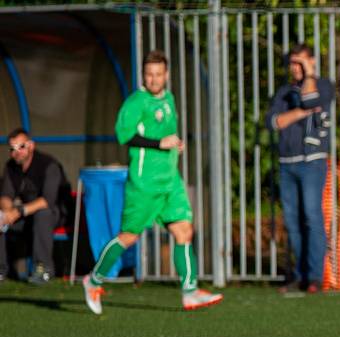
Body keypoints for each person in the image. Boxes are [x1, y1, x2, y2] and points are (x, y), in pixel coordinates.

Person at [82, 49, 222, 314]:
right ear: (143, 76)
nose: (154, 79)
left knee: (184, 231)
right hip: (144, 185)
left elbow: (165, 133)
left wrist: (174, 144)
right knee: (129, 237)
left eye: (159, 74)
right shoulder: (136, 102)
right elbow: (125, 136)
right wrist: (160, 143)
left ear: (166, 75)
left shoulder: (168, 98)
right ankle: (94, 279)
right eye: (149, 74)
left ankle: (190, 291)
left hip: (170, 181)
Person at [265, 43, 334, 294]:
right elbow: (274, 122)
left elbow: (311, 98)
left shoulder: (324, 85)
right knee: (292, 222)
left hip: (312, 162)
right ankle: (300, 274)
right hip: (287, 164)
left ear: (312, 62)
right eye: (293, 63)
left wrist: (309, 75)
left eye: (301, 62)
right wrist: (300, 112)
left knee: (311, 217)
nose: (296, 68)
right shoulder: (283, 92)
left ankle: (314, 277)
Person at [0, 128, 71, 284]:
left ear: (31, 146)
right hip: (26, 215)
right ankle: (1, 270)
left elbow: (48, 200)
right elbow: (6, 196)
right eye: (12, 149)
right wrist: (7, 212)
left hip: (56, 214)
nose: (17, 152)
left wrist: (17, 211)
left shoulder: (48, 165)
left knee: (43, 214)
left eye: (21, 147)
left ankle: (43, 269)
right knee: (0, 217)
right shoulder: (11, 167)